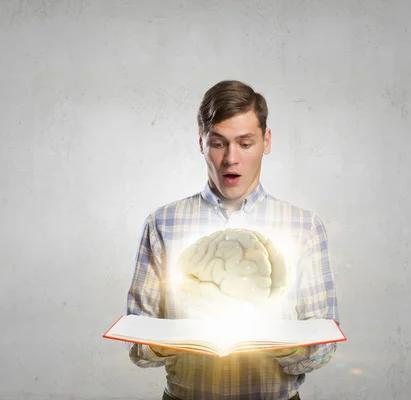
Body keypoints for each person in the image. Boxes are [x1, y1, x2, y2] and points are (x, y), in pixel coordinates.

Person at [126, 80, 340, 400]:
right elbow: (137, 345)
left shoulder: (304, 227)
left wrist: (274, 338)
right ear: (201, 142)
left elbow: (324, 348)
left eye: (245, 143)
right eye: (218, 143)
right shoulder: (162, 224)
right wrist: (175, 336)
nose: (231, 159)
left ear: (266, 141)